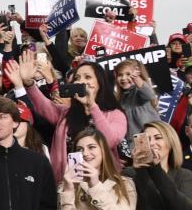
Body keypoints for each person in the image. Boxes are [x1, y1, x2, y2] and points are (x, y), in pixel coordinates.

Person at [8, 52, 127, 181]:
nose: (81, 81)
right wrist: (28, 83)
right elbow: (43, 106)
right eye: (77, 78)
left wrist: (92, 106)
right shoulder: (66, 113)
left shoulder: (116, 114)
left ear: (100, 83)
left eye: (88, 77)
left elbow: (109, 141)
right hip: (68, 183)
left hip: (103, 182)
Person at [123, 120, 192, 210]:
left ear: (171, 143)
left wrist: (156, 169)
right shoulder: (129, 173)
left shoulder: (185, 175)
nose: (152, 143)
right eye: (147, 139)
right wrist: (139, 172)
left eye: (158, 138)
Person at [57, 128, 136, 210]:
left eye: (91, 147)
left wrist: (95, 185)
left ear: (103, 151)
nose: (85, 153)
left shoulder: (125, 184)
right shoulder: (67, 186)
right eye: (80, 149)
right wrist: (68, 190)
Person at [113, 59, 159, 140]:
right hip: (133, 141)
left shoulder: (138, 91)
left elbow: (149, 95)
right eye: (120, 75)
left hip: (150, 137)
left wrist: (136, 78)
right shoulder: (120, 98)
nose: (123, 78)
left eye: (128, 74)